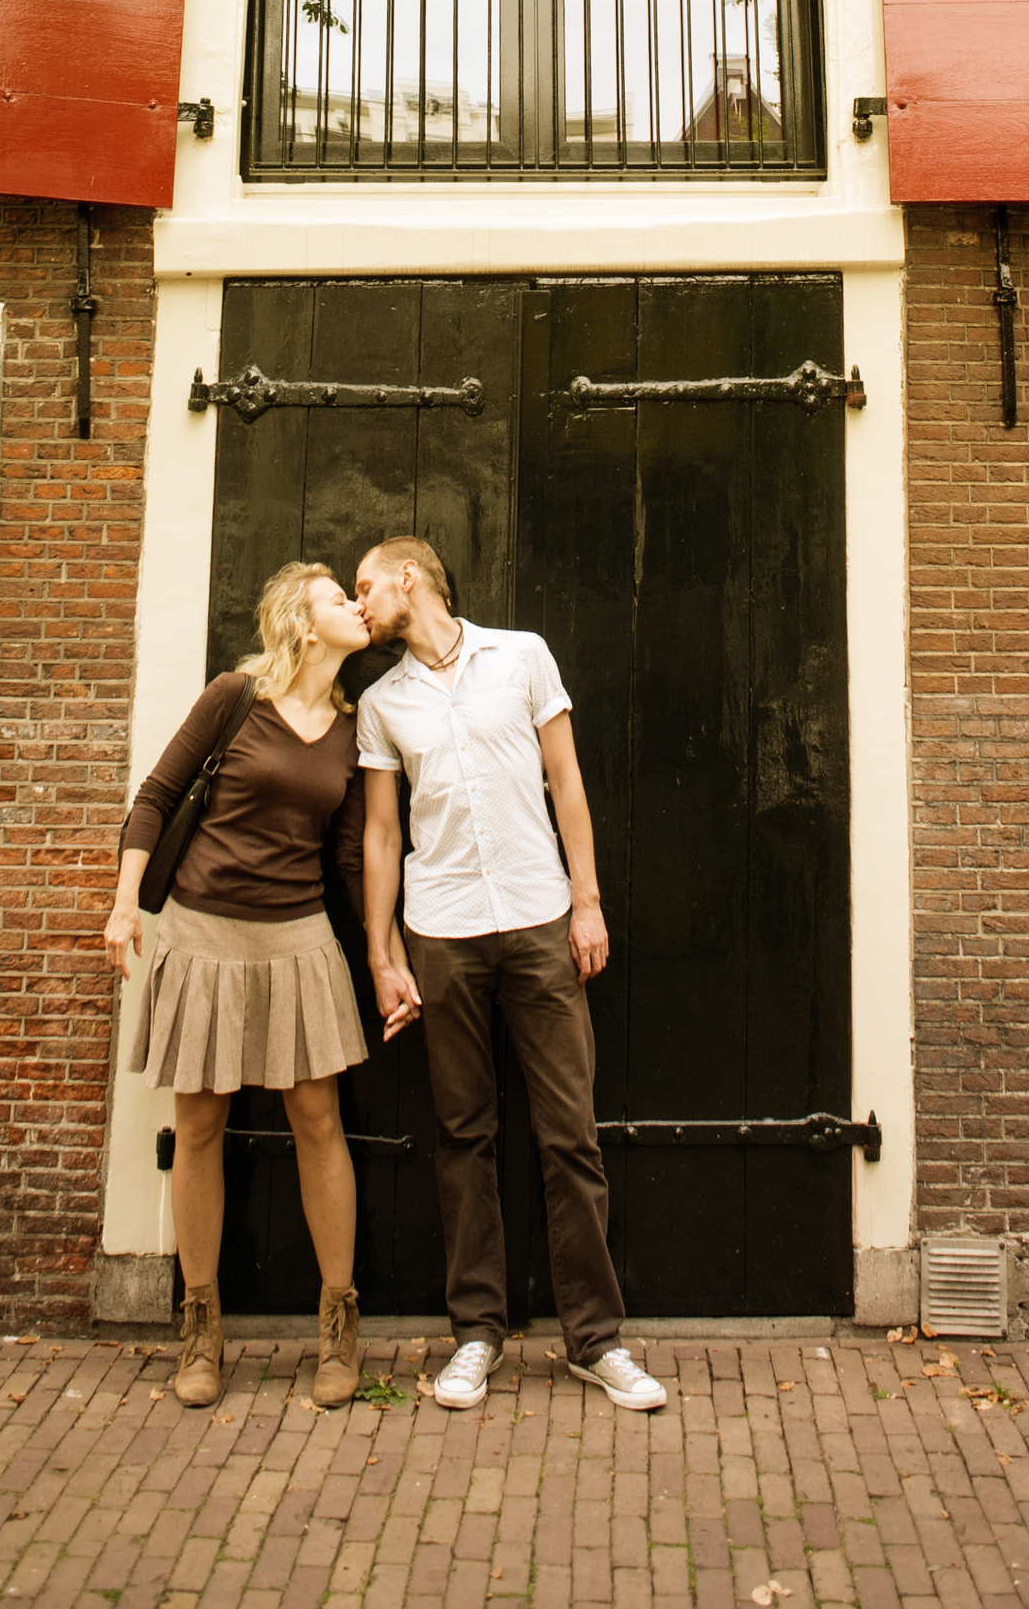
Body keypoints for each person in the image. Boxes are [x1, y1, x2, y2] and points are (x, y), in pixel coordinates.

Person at [353, 535, 667, 1414]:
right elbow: (382, 835)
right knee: (464, 1135)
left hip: (537, 917)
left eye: (367, 586)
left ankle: (596, 1342)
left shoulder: (522, 657)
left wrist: (588, 900)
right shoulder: (382, 704)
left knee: (570, 1133)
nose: (360, 602)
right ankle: (477, 1335)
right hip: (443, 932)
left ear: (408, 576)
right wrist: (383, 955)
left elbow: (566, 782)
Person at [105, 561, 381, 1411]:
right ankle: (200, 1330)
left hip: (298, 935)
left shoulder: (352, 727)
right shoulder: (235, 697)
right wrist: (124, 908)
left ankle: (337, 1329)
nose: (357, 605)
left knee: (318, 1118)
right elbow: (154, 798)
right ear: (302, 619)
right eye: (341, 597)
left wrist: (380, 950)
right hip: (203, 931)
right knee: (199, 1123)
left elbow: (346, 853)